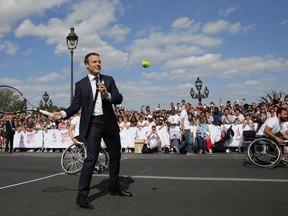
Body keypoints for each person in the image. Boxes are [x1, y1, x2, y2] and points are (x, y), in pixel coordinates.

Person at [52, 52, 132, 210]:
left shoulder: (108, 80)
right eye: (94, 62)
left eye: (99, 61)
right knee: (91, 158)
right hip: (93, 123)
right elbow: (76, 106)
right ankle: (82, 196)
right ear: (86, 65)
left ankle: (114, 187)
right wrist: (61, 114)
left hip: (109, 122)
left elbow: (119, 98)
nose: (98, 64)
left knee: (115, 156)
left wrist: (107, 94)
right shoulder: (80, 84)